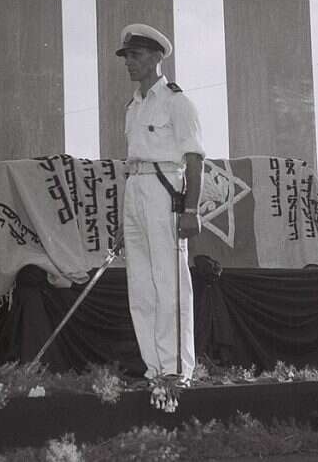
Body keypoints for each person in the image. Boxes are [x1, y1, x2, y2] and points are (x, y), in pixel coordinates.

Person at [116, 23, 204, 383]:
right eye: (127, 57)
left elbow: (195, 159)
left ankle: (176, 369)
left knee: (169, 284)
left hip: (165, 189)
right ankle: (155, 369)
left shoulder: (176, 102)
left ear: (156, 57)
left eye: (135, 56)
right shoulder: (133, 107)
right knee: (140, 287)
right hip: (135, 189)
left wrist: (191, 208)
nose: (129, 63)